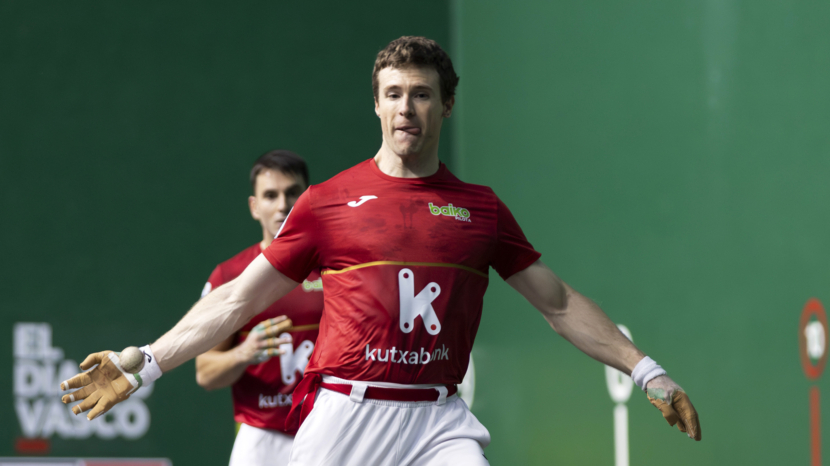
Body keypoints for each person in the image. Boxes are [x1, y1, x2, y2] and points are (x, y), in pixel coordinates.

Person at [60, 36, 701, 466]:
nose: (406, 108)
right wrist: (145, 363)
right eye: (393, 94)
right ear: (376, 103)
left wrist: (646, 369)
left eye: (421, 94)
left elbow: (557, 303)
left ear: (447, 104)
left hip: (439, 423)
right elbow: (235, 301)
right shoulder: (328, 203)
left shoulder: (480, 208)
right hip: (346, 416)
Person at [195, 150, 324, 465]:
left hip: (327, 430)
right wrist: (244, 353)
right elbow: (205, 373)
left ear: (308, 200)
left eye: (292, 193)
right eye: (270, 195)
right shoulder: (229, 276)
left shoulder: (336, 269)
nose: (282, 205)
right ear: (254, 207)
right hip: (261, 437)